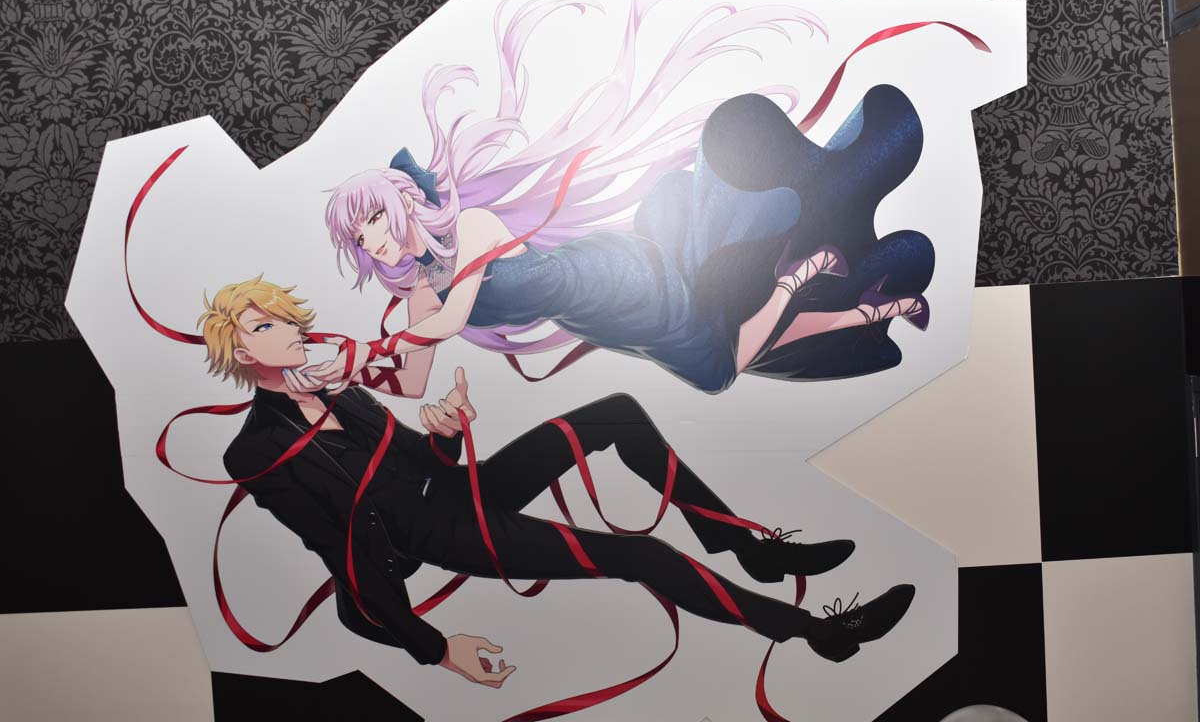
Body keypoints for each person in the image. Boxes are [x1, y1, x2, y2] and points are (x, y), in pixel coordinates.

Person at [202, 277, 916, 685]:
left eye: (286, 320)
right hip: (446, 534)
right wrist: (436, 648)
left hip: (461, 490)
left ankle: (745, 546)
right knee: (643, 556)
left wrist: (445, 431)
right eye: (266, 328)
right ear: (239, 351)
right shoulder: (256, 451)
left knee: (618, 413)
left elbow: (425, 463)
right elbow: (340, 550)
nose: (291, 331)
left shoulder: (340, 392)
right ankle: (816, 631)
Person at [310, 0, 934, 395]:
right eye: (359, 238)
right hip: (600, 318)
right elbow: (415, 381)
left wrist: (369, 349)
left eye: (374, 219)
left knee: (717, 370)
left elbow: (448, 324)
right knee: (732, 341)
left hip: (616, 280)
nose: (373, 241)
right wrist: (340, 378)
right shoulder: (423, 293)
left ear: (405, 202)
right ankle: (870, 307)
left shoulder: (471, 229)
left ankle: (797, 278)